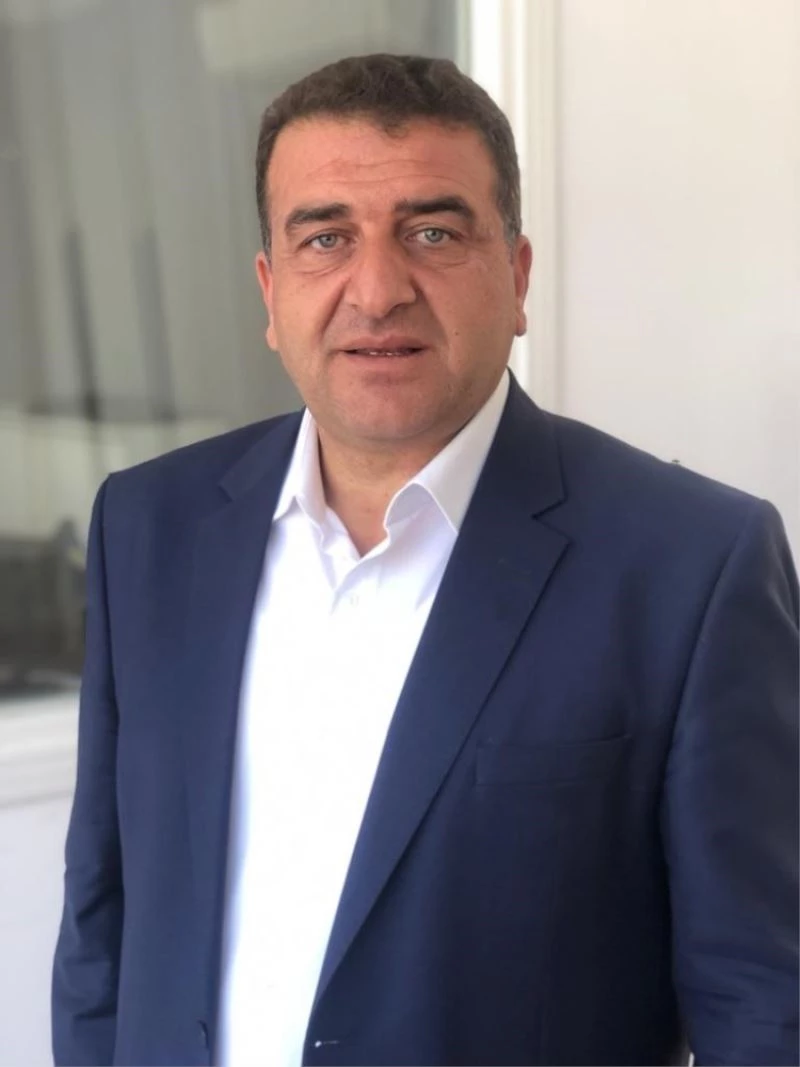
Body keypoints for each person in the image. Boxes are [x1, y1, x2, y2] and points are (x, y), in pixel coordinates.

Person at [52, 53, 798, 1067]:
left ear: (517, 276)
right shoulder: (148, 525)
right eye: (325, 238)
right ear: (270, 289)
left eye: (433, 233)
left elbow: (762, 1001)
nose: (376, 289)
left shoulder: (691, 566)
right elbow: (102, 923)